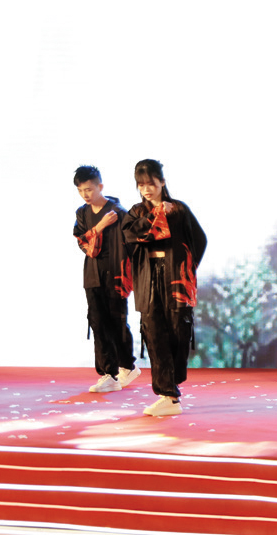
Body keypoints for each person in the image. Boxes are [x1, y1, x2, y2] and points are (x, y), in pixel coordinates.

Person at [122, 159, 207, 417]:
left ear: (162, 182)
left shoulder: (179, 209)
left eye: (151, 183)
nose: (146, 189)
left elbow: (199, 240)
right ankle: (167, 394)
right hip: (148, 278)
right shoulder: (137, 212)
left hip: (175, 279)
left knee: (178, 332)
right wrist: (158, 214)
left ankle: (171, 389)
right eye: (141, 185)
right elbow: (130, 235)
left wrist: (186, 269)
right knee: (154, 333)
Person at [73, 165, 139, 393]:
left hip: (117, 275)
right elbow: (84, 244)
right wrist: (100, 226)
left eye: (89, 189)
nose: (85, 194)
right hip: (93, 275)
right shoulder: (82, 213)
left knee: (117, 322)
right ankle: (109, 374)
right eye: (81, 191)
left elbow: (133, 247)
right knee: (98, 323)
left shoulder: (119, 212)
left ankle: (127, 365)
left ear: (100, 186)